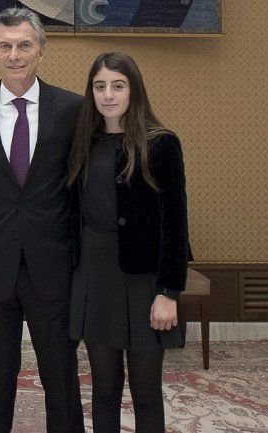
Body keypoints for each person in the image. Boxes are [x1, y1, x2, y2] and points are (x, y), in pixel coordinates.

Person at [0, 7, 85, 433]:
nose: (14, 55)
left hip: (54, 265)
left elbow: (79, 193)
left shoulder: (72, 109)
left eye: (24, 45)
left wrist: (83, 263)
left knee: (61, 379)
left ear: (41, 50)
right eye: (5, 46)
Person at [66, 52, 190, 433]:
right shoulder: (83, 143)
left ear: (133, 90)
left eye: (118, 86)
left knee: (146, 391)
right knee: (104, 388)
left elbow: (175, 224)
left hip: (145, 282)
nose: (108, 95)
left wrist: (168, 292)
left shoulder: (161, 144)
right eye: (100, 86)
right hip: (95, 277)